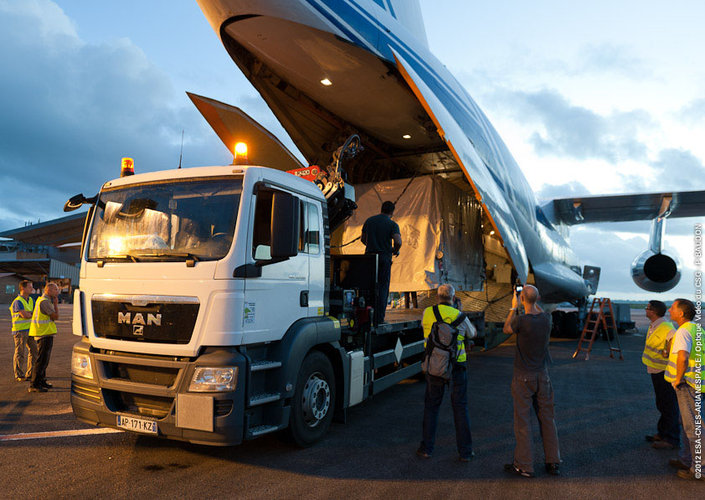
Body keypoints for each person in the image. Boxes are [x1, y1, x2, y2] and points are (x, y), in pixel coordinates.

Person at [502, 285, 561, 477]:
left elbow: (506, 329)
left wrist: (513, 307)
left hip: (523, 376)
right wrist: (531, 299)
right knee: (547, 419)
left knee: (523, 421)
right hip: (542, 375)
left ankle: (524, 465)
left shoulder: (521, 320)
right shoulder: (546, 319)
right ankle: (553, 462)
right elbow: (538, 308)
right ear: (538, 299)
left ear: (521, 299)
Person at [417, 284, 477, 461]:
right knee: (460, 407)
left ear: (437, 297)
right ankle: (465, 452)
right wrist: (460, 312)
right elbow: (473, 334)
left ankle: (426, 449)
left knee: (432, 407)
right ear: (453, 297)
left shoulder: (428, 313)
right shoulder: (459, 316)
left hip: (435, 365)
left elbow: (423, 328)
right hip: (457, 365)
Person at [664, 298, 703, 481]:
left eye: (672, 307)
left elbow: (683, 358)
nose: (669, 310)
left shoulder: (683, 331)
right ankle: (687, 459)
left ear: (681, 313)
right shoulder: (697, 329)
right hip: (697, 383)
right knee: (686, 423)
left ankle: (700, 468)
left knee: (692, 426)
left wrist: (678, 380)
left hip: (688, 384)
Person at [642, 300, 680, 449]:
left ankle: (672, 439)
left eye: (647, 308)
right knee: (662, 404)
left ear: (653, 311)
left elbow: (677, 347)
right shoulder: (655, 325)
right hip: (656, 370)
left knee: (668, 405)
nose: (646, 310)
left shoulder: (666, 328)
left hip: (664, 372)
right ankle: (663, 433)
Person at [361, 201, 401, 324]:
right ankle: (379, 319)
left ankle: (367, 316)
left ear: (382, 209)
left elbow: (363, 239)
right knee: (383, 288)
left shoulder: (369, 221)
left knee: (368, 288)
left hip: (369, 259)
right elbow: (398, 241)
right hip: (384, 258)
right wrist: (395, 250)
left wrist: (372, 245)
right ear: (392, 212)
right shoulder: (392, 224)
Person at [27, 282, 60, 393]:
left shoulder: (44, 301)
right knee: (41, 360)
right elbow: (55, 316)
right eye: (55, 289)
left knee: (44, 360)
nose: (58, 291)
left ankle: (41, 381)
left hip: (45, 333)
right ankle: (34, 384)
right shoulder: (45, 302)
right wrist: (56, 304)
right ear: (48, 291)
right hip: (43, 333)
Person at [9, 280, 38, 382]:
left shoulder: (31, 300)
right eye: (30, 287)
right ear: (23, 289)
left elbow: (34, 314)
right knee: (20, 352)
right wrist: (29, 313)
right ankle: (19, 374)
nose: (32, 289)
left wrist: (29, 313)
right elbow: (25, 315)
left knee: (34, 351)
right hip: (20, 331)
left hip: (30, 330)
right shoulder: (17, 301)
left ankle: (31, 373)